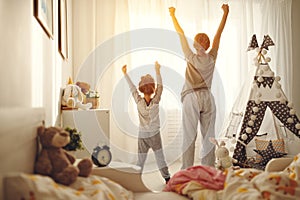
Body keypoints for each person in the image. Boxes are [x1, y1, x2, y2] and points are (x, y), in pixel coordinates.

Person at [169, 4, 229, 169]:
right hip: (208, 98)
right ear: (208, 45)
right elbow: (219, 34)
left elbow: (180, 34)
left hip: (192, 96)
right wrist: (225, 14)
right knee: (209, 136)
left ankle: (186, 169)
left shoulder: (190, 56)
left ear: (196, 44)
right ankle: (208, 168)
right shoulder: (211, 57)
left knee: (189, 135)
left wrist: (173, 16)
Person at [122, 61, 171, 183]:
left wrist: (125, 74)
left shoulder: (139, 101)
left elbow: (132, 88)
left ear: (141, 89)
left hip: (143, 135)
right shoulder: (156, 101)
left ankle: (135, 179)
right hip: (154, 135)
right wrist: (158, 71)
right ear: (153, 89)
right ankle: (167, 179)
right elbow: (161, 87)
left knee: (140, 160)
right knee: (160, 158)